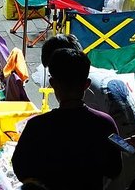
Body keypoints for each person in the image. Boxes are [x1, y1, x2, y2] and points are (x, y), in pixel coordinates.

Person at [12, 48, 122, 188]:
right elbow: (114, 169)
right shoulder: (105, 123)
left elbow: (21, 169)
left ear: (52, 83)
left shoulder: (37, 125)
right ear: (86, 85)